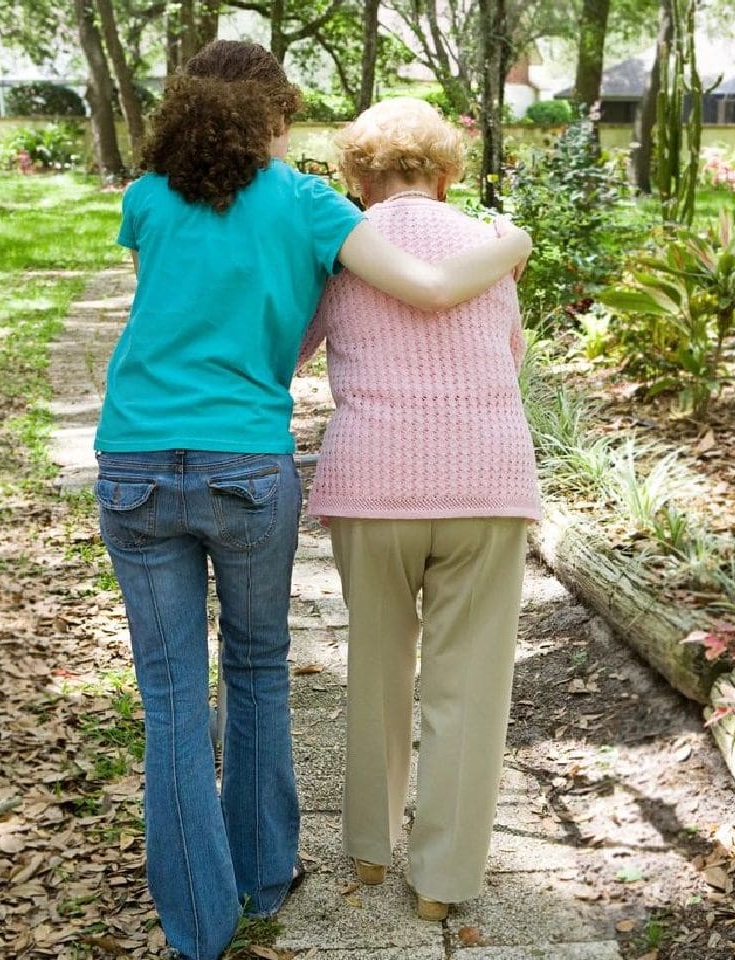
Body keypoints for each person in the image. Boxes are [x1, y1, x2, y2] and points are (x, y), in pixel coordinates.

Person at [94, 41, 531, 960]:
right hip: (260, 465)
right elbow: (448, 306)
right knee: (258, 669)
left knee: (172, 696)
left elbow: (185, 311)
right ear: (273, 119)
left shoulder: (146, 198)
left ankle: (203, 924)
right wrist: (513, 241)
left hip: (138, 455)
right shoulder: (309, 208)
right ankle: (274, 879)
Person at [297, 97, 541, 922]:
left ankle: (369, 850)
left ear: (357, 177)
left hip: (374, 485)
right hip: (487, 483)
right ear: (445, 172)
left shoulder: (341, 252)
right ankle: (442, 882)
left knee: (376, 666)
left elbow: (289, 348)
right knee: (469, 686)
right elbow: (507, 356)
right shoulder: (492, 246)